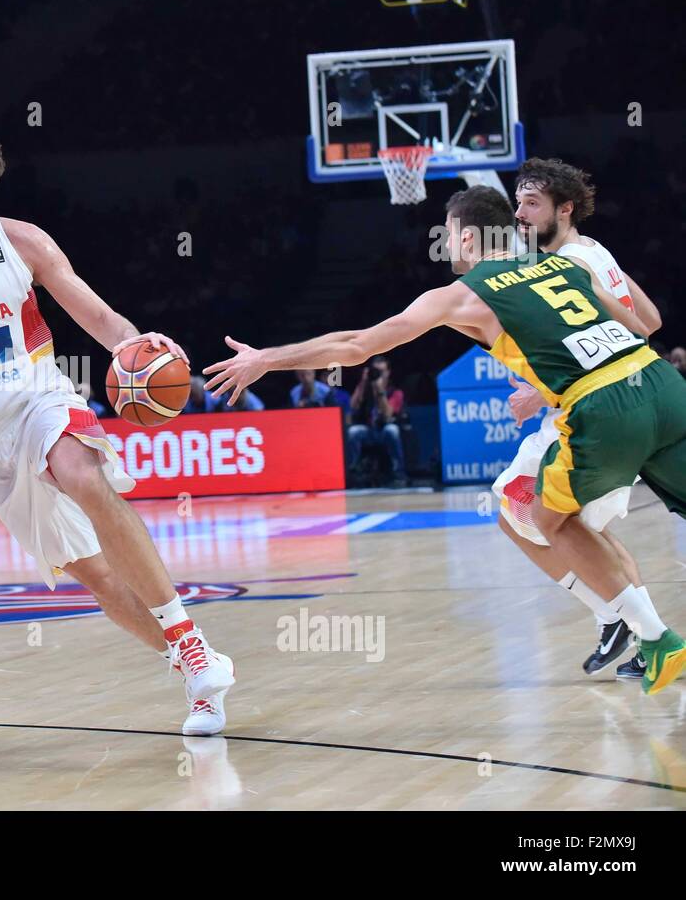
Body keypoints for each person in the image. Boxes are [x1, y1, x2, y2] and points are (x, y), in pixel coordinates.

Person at [205, 185, 686, 695]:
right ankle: (628, 622)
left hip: (601, 406)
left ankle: (654, 637)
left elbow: (355, 345)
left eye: (448, 234)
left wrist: (265, 360)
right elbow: (638, 326)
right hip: (662, 385)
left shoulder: (462, 295)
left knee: (545, 517)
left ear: (467, 236)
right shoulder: (569, 266)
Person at [0, 127, 235, 735]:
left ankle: (191, 641)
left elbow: (92, 310)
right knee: (100, 579)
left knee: (81, 474)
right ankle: (195, 668)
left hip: (39, 397)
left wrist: (135, 341)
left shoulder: (22, 241)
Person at [498, 158, 664, 678]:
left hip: (596, 418)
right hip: (614, 410)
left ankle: (628, 625)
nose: (520, 212)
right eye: (518, 202)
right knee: (535, 516)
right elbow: (649, 322)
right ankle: (629, 630)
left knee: (538, 521)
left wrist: (539, 394)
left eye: (532, 203)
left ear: (563, 208)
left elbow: (624, 340)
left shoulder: (571, 263)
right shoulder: (594, 250)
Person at [346, 356, 406, 486]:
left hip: (384, 430)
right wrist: (363, 382)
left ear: (388, 372)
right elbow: (353, 406)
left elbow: (388, 414)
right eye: (376, 371)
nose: (378, 375)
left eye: (382, 371)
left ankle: (399, 473)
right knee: (353, 432)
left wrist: (379, 390)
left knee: (393, 430)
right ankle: (352, 472)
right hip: (368, 430)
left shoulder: (395, 392)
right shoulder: (364, 388)